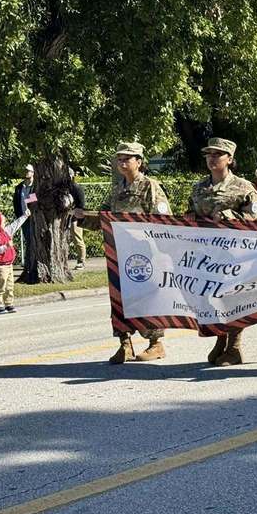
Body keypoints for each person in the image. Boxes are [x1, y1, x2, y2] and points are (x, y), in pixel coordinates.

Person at [75, 142, 172, 364]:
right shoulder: (117, 189)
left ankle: (156, 343)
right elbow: (104, 218)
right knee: (120, 299)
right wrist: (81, 216)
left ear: (139, 162)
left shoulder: (150, 186)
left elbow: (163, 221)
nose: (122, 162)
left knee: (147, 297)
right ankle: (124, 343)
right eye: (119, 158)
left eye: (127, 158)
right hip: (120, 253)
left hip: (145, 254)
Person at [189, 138, 257, 365]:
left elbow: (256, 218)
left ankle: (234, 347)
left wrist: (231, 217)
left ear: (229, 159)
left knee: (233, 300)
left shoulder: (244, 187)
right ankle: (220, 337)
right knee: (209, 297)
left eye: (217, 154)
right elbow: (189, 213)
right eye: (209, 154)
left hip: (234, 256)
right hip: (206, 256)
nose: (212, 158)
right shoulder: (199, 188)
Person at [0, 209, 30, 313]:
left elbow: (16, 224)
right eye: (3, 222)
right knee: (1, 285)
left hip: (9, 264)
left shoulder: (6, 231)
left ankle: (9, 303)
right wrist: (6, 246)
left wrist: (25, 216)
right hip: (1, 266)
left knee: (10, 285)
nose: (5, 223)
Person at [13, 163, 38, 283]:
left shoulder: (36, 186)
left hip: (34, 219)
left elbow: (34, 201)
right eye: (25, 170)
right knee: (29, 241)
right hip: (23, 219)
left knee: (33, 242)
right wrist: (20, 216)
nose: (26, 172)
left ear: (33, 173)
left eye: (28, 170)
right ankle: (29, 266)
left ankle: (32, 266)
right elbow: (16, 203)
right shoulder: (19, 187)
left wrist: (30, 207)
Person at [67, 170, 87, 269]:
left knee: (77, 239)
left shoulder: (76, 188)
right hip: (64, 218)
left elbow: (81, 205)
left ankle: (81, 261)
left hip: (75, 218)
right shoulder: (62, 188)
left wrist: (73, 213)